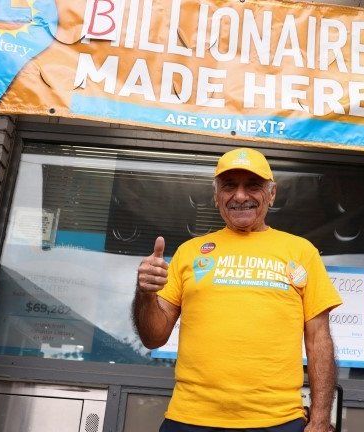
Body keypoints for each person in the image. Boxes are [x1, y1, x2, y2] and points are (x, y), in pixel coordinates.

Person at [132, 147, 343, 432]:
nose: (240, 196)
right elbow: (153, 337)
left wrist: (319, 419)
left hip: (277, 421)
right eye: (229, 186)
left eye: (253, 185)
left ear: (272, 194)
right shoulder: (189, 252)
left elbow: (319, 339)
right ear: (216, 195)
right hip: (191, 418)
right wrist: (146, 293)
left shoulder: (301, 252)